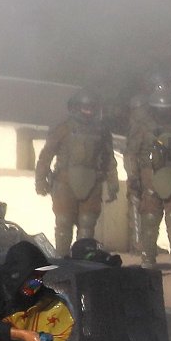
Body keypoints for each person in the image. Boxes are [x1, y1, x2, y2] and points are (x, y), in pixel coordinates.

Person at [126, 87, 171, 278]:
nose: (164, 112)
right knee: (150, 220)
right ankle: (148, 266)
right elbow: (131, 153)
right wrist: (133, 177)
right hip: (148, 175)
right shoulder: (142, 126)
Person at [35, 89, 118, 256]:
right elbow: (46, 156)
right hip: (64, 183)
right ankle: (61, 263)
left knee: (87, 225)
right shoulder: (63, 128)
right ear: (76, 107)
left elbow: (109, 159)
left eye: (91, 107)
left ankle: (81, 264)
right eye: (84, 107)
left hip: (93, 183)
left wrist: (113, 183)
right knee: (64, 223)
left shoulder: (102, 131)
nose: (88, 110)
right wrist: (40, 180)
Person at [126, 70, 171, 254]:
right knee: (137, 196)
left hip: (156, 159)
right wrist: (133, 172)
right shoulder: (142, 105)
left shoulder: (161, 106)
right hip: (141, 157)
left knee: (149, 203)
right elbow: (135, 139)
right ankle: (139, 243)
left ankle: (146, 244)